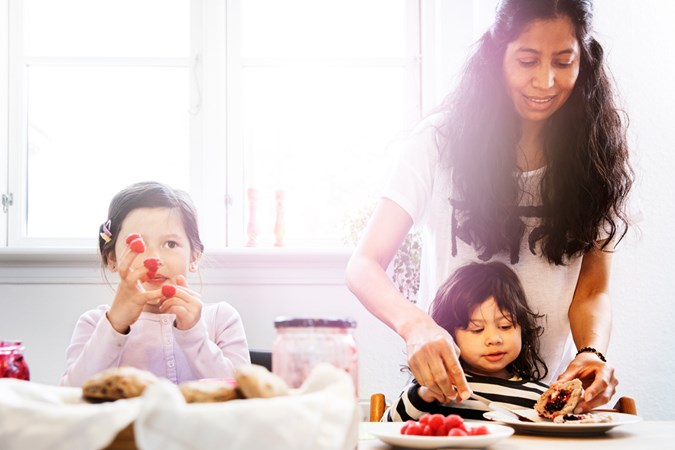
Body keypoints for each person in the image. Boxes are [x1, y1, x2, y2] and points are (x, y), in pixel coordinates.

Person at [345, 0, 633, 414]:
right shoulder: (439, 143)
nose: (545, 81)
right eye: (527, 60)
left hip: (536, 398)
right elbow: (364, 264)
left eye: (564, 61)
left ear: (584, 62)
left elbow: (592, 289)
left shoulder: (595, 157)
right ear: (497, 57)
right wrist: (414, 325)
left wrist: (593, 352)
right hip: (449, 399)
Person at [60, 181, 250, 386]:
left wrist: (193, 334)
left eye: (171, 244)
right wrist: (115, 324)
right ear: (111, 258)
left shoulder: (221, 319)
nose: (154, 260)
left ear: (194, 256)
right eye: (136, 244)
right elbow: (71, 395)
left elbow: (243, 396)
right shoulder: (94, 323)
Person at [384, 262, 548, 422]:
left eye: (505, 326)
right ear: (450, 335)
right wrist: (424, 395)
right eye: (477, 329)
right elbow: (388, 425)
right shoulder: (440, 385)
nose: (494, 339)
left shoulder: (539, 396)